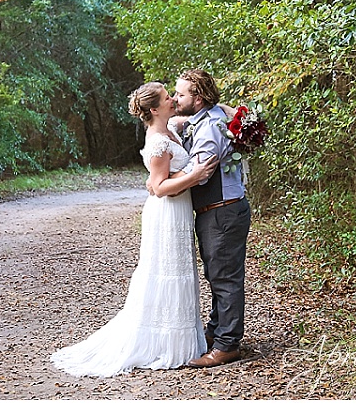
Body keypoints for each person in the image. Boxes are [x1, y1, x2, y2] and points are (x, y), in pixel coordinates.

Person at [50, 82, 219, 377]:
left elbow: (203, 114)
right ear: (154, 109)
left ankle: (181, 338)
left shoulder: (171, 127)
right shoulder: (157, 140)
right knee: (165, 271)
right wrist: (195, 175)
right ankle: (164, 343)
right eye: (169, 98)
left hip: (178, 212)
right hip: (167, 213)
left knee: (178, 270)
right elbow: (158, 186)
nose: (174, 100)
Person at [172, 69, 252, 368]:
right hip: (217, 211)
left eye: (181, 94)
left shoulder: (208, 128)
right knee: (217, 274)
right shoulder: (207, 118)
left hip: (223, 210)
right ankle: (216, 331)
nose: (176, 98)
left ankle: (227, 344)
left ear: (199, 98)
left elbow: (200, 174)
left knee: (225, 278)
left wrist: (165, 181)